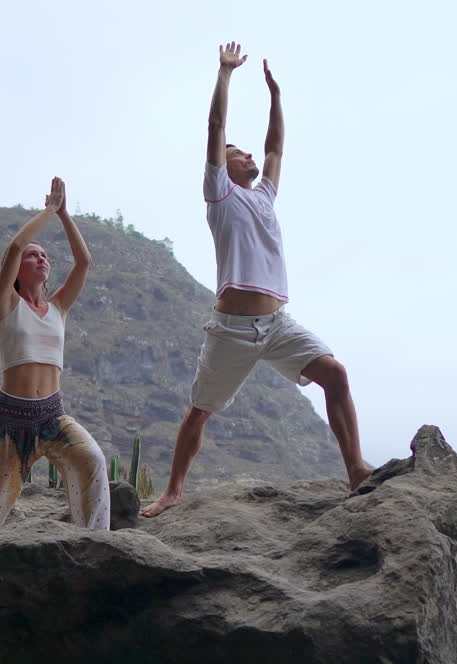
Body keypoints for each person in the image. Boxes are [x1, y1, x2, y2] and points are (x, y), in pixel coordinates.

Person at [141, 42, 373, 518]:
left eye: (245, 152)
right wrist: (225, 74)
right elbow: (215, 127)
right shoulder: (220, 195)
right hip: (232, 330)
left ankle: (356, 471)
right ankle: (173, 491)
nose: (245, 153)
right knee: (199, 410)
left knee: (336, 374)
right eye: (235, 152)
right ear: (222, 168)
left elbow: (274, 148)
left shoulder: (265, 196)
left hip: (277, 324)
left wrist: (276, 97)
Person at [0, 177, 109, 564]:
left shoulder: (58, 309)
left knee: (93, 462)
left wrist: (66, 215)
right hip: (11, 421)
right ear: (16, 272)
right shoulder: (5, 304)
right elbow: (15, 246)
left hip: (52, 415)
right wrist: (49, 211)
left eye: (44, 256)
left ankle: (94, 550)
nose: (40, 258)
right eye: (33, 256)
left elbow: (84, 262)